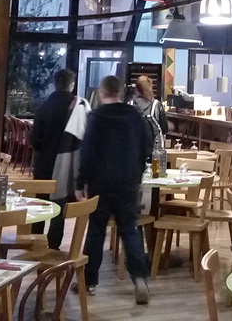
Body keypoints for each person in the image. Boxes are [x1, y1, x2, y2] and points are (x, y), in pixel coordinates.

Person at [76, 75, 149, 304]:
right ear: (119, 92)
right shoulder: (135, 116)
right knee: (129, 230)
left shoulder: (96, 117)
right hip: (128, 182)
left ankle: (89, 282)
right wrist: (137, 173)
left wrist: (80, 182)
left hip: (101, 183)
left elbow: (87, 153)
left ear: (101, 92)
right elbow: (146, 147)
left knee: (96, 230)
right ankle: (140, 278)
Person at [30, 69, 89, 248]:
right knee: (60, 204)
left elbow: (34, 140)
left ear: (55, 84)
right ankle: (54, 246)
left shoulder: (44, 107)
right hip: (67, 165)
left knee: (39, 205)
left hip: (45, 163)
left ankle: (35, 243)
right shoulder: (78, 106)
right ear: (72, 85)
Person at [131, 74, 168, 157]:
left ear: (136, 88)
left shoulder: (130, 105)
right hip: (154, 153)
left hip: (133, 151)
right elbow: (164, 129)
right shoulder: (156, 105)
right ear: (150, 88)